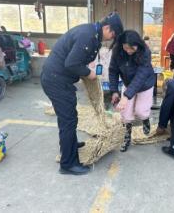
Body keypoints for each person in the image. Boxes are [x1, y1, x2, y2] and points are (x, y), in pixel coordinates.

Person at [41, 12, 123, 175]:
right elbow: (71, 63)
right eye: (113, 34)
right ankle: (68, 164)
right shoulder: (88, 36)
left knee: (69, 117)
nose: (111, 37)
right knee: (68, 120)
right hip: (56, 80)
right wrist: (88, 73)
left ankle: (70, 144)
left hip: (59, 79)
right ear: (107, 28)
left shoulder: (92, 34)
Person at [109, 30, 156, 152]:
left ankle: (145, 120)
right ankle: (127, 137)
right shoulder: (117, 51)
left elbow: (141, 76)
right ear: (122, 45)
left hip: (145, 84)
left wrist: (126, 96)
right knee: (126, 113)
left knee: (141, 111)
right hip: (128, 83)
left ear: (138, 45)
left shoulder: (145, 51)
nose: (129, 51)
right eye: (126, 48)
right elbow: (113, 70)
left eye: (132, 48)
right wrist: (114, 91)